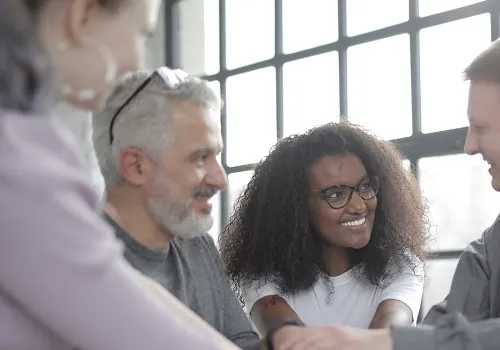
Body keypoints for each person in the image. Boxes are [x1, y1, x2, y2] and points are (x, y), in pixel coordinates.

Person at [254, 34, 500, 350]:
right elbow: (445, 327)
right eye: (334, 195)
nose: (470, 146)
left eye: (481, 128)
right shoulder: (499, 240)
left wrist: (374, 342)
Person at [0, 0, 241, 348]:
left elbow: (126, 289)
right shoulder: (19, 160)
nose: (138, 63)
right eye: (142, 33)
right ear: (83, 14)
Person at [91, 68, 261, 349]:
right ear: (136, 166)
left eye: (216, 156)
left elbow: (240, 340)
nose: (220, 179)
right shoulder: (80, 267)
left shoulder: (197, 245)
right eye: (200, 157)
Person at [219, 122, 429, 340]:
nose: (360, 206)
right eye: (336, 195)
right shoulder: (262, 273)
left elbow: (386, 336)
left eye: (365, 186)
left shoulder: (401, 265)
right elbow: (288, 338)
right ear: (297, 208)